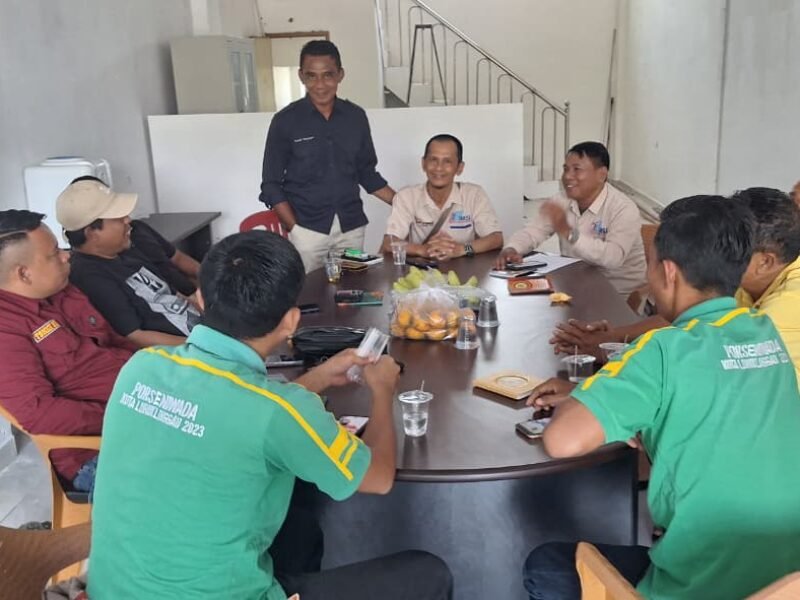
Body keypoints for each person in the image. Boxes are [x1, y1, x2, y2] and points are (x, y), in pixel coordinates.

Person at [88, 231, 453, 600]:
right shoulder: (277, 412)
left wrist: (320, 377)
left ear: (200, 299)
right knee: (427, 573)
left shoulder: (141, 366)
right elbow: (377, 478)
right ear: (291, 321)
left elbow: (238, 413)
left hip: (111, 591)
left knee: (299, 522)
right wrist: (382, 390)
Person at [522, 195, 800, 599]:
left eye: (650, 265)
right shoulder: (766, 333)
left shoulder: (661, 349)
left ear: (668, 272)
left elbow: (561, 440)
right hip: (785, 584)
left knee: (545, 565)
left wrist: (609, 398)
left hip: (699, 589)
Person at [550, 188, 800, 383]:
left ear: (765, 261)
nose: (722, 251)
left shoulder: (784, 307)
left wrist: (613, 355)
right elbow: (687, 318)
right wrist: (612, 337)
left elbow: (709, 366)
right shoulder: (746, 278)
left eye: (737, 247)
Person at [0, 210, 135, 494]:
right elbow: (39, 413)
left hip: (144, 404)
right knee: (212, 476)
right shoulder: (6, 330)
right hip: (99, 451)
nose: (66, 256)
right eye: (54, 254)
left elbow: (113, 342)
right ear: (23, 273)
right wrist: (126, 413)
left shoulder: (61, 289)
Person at [259, 40, 396, 273]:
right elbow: (271, 184)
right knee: (308, 292)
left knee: (352, 289)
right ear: (301, 76)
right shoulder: (285, 121)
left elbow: (367, 174)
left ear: (340, 75)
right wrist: (294, 228)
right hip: (307, 231)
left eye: (328, 75)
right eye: (311, 76)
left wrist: (407, 205)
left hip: (351, 228)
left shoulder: (355, 117)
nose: (320, 85)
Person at [57, 179, 201, 347]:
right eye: (118, 218)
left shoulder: (126, 254)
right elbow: (135, 336)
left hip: (202, 332)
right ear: (92, 233)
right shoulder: (89, 275)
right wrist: (202, 346)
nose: (128, 220)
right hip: (183, 350)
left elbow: (175, 296)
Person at [495, 142, 646, 296]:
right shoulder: (561, 199)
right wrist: (513, 248)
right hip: (576, 285)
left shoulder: (623, 208)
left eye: (577, 169)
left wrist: (568, 232)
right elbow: (533, 232)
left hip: (617, 295)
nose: (567, 176)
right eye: (566, 169)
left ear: (601, 175)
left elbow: (613, 258)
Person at [380, 134, 503, 260]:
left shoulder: (474, 194)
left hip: (465, 269)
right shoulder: (406, 196)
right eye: (433, 160)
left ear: (459, 168)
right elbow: (389, 243)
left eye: (447, 161)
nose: (439, 168)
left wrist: (461, 249)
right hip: (421, 269)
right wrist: (423, 250)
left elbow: (496, 239)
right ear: (423, 164)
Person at [71, 175, 201, 290]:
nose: (127, 219)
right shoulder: (107, 263)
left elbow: (177, 258)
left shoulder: (138, 228)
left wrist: (207, 279)